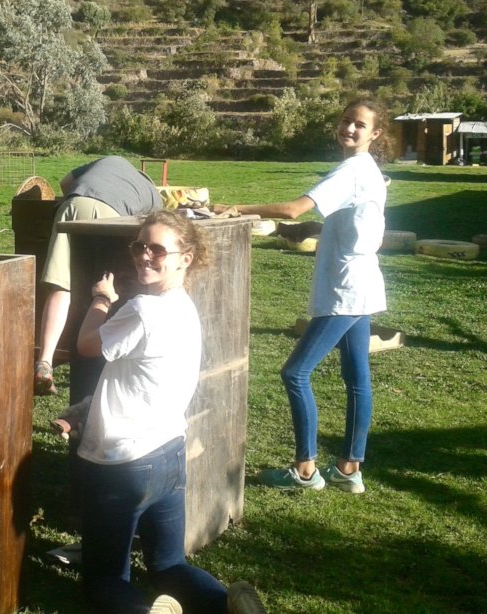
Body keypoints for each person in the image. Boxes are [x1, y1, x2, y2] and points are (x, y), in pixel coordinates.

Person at [74, 210, 265, 614]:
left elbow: (87, 344)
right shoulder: (183, 306)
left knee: (105, 578)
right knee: (168, 565)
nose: (144, 256)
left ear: (185, 258)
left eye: (158, 249)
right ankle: (223, 605)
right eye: (139, 246)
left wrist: (101, 298)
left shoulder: (143, 310)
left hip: (123, 461)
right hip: (169, 453)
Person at [214, 98, 390, 494]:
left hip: (345, 291)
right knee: (356, 377)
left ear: (375, 133)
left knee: (295, 373)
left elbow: (294, 209)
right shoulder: (366, 170)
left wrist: (235, 208)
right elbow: (352, 220)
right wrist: (318, 227)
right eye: (345, 120)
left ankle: (305, 471)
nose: (349, 128)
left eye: (360, 124)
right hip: (361, 285)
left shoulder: (352, 171)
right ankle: (349, 469)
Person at [34, 155, 163, 394]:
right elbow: (153, 228)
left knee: (61, 286)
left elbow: (65, 182)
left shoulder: (108, 160)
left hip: (73, 204)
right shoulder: (152, 193)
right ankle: (102, 362)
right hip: (111, 215)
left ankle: (45, 360)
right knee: (107, 285)